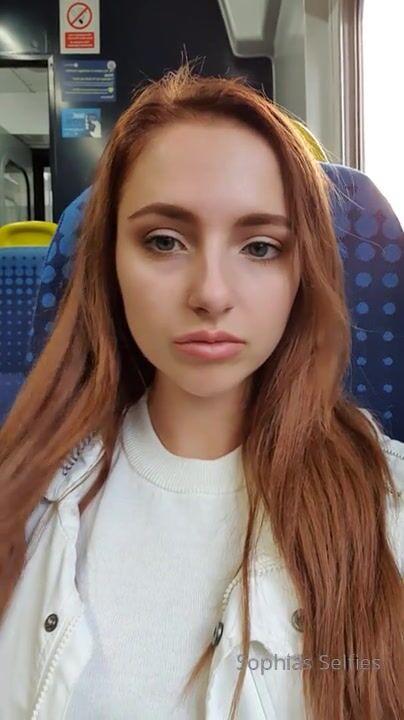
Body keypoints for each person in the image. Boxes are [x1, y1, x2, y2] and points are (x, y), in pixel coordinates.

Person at [0, 66, 402, 720]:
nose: (211, 293)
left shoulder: (390, 508)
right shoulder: (20, 498)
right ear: (110, 263)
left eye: (260, 247)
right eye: (164, 241)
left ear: (302, 273)